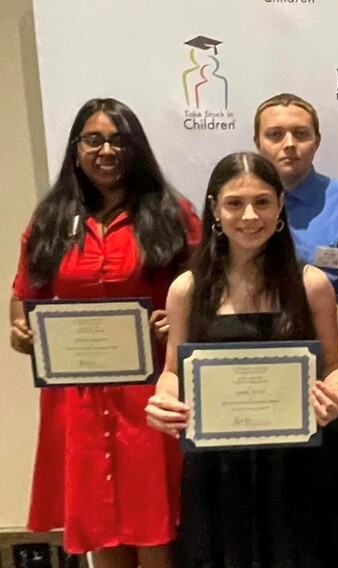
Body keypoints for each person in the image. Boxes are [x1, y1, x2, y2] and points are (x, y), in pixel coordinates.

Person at [8, 98, 201, 567]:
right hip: (78, 401)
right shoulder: (50, 219)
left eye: (119, 140)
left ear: (137, 149)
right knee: (102, 533)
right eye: (93, 139)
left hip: (151, 397)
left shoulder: (173, 214)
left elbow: (204, 296)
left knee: (156, 529)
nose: (106, 150)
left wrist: (175, 321)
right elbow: (23, 302)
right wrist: (22, 332)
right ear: (76, 150)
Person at [144, 152, 338, 567]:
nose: (249, 216)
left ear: (279, 208)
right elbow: (171, 373)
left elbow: (335, 365)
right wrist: (163, 401)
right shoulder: (187, 289)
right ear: (215, 210)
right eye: (235, 203)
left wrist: (336, 394)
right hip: (216, 469)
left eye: (262, 202)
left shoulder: (310, 285)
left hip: (296, 467)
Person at [254, 93, 338, 564]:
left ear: (317, 141)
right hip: (255, 389)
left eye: (301, 134)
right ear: (258, 142)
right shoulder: (240, 204)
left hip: (329, 389)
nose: (289, 145)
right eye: (275, 134)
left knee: (327, 520)